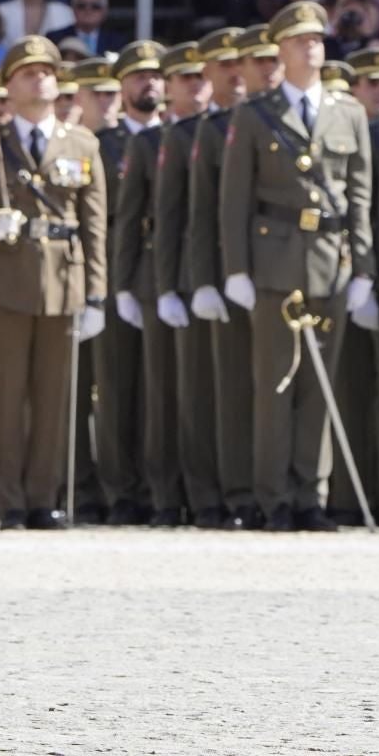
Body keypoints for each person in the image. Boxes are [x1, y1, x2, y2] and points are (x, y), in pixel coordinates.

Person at [0, 33, 108, 531]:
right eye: (30, 72)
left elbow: (94, 225)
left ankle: (43, 498)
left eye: (49, 71)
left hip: (63, 280)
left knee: (54, 400)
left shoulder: (83, 144)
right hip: (5, 281)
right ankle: (9, 500)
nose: (42, 78)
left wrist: (96, 292)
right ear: (7, 87)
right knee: (7, 398)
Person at [218, 0, 374, 532]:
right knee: (277, 383)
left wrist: (365, 267)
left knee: (319, 386)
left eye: (317, 38)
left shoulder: (348, 112)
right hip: (275, 258)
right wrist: (237, 268)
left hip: (331, 261)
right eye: (301, 39)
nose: (312, 45)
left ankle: (313, 494)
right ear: (281, 49)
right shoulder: (256, 114)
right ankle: (274, 497)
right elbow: (234, 198)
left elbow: (359, 194)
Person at [184, 27, 263, 527]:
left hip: (277, 268)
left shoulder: (270, 122)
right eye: (224, 65)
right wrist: (203, 279)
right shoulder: (203, 132)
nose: (236, 73)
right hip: (223, 271)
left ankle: (269, 487)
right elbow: (192, 216)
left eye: (244, 63)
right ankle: (230, 492)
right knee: (228, 390)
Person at [148, 41, 227, 527]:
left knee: (223, 393)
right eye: (187, 79)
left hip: (227, 273)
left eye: (203, 77)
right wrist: (166, 286)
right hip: (184, 274)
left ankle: (221, 488)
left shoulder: (224, 129)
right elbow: (167, 218)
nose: (198, 86)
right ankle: (182, 494)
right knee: (184, 395)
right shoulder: (171, 139)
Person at [109, 42, 185, 527]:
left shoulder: (175, 138)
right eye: (138, 76)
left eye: (157, 75)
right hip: (125, 274)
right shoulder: (102, 141)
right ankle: (120, 490)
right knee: (118, 389)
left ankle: (163, 490)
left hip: (166, 273)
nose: (150, 84)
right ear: (122, 87)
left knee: (163, 391)